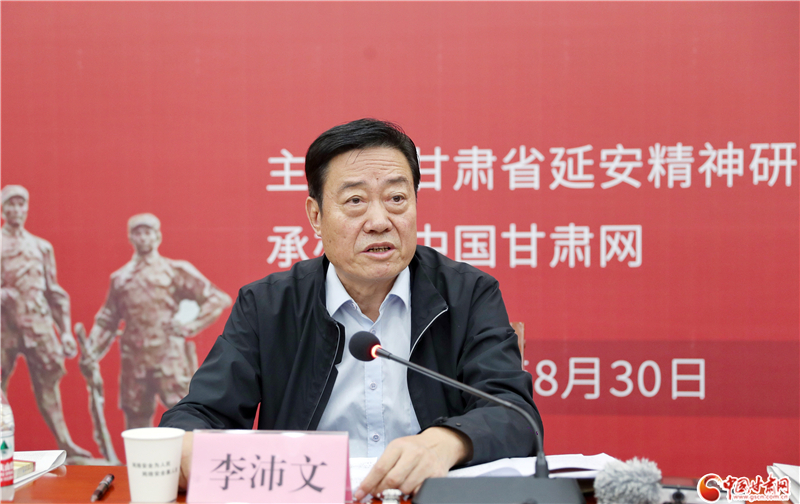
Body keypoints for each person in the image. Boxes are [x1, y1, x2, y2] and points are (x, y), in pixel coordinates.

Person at [159, 119, 541, 498]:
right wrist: (187, 442)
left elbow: (515, 414)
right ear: (316, 216)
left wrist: (445, 442)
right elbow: (199, 414)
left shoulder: (469, 294)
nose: (379, 222)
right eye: (355, 201)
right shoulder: (268, 306)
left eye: (396, 199)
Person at [82, 213, 232, 429]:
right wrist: (91, 352)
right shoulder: (120, 278)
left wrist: (190, 325)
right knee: (136, 419)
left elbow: (217, 298)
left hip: (168, 356)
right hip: (134, 359)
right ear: (130, 238)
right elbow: (107, 321)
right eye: (138, 233)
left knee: (186, 415)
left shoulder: (174, 270)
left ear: (157, 236)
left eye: (147, 232)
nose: (143, 237)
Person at [0, 185, 92, 461]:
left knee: (49, 382)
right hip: (4, 326)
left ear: (27, 208)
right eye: (11, 204)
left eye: (21, 204)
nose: (16, 210)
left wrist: (65, 332)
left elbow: (54, 293)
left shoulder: (41, 247)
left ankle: (65, 443)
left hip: (37, 325)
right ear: (3, 208)